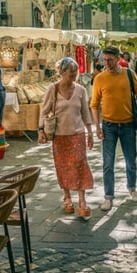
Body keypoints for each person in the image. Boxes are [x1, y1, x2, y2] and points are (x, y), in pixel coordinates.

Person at [90, 46, 137, 211]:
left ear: (118, 58)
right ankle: (108, 196)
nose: (106, 63)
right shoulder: (100, 78)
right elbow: (94, 105)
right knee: (108, 163)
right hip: (108, 125)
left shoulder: (129, 74)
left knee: (131, 159)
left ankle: (132, 188)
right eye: (104, 60)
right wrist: (97, 126)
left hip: (128, 124)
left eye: (109, 60)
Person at [38, 58, 95, 219]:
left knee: (80, 165)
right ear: (62, 73)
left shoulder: (81, 90)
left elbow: (85, 112)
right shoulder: (53, 89)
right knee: (63, 167)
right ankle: (67, 196)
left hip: (77, 134)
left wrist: (90, 133)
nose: (74, 76)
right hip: (59, 136)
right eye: (71, 73)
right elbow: (44, 110)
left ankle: (82, 200)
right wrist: (40, 129)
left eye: (76, 73)